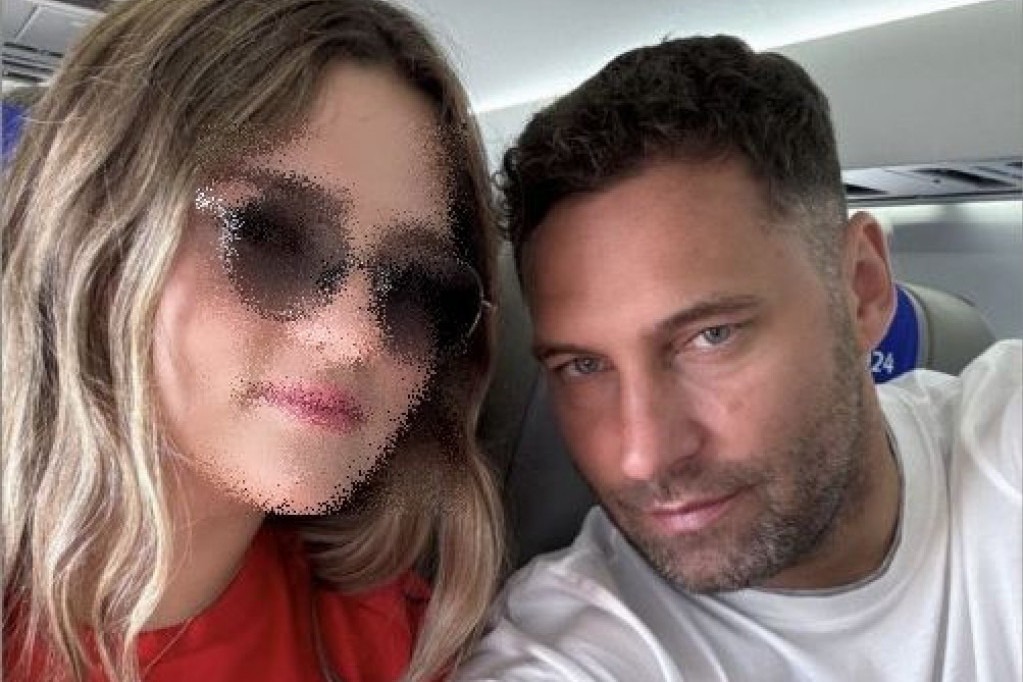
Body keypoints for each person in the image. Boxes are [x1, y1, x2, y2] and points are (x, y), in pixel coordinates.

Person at [457, 35, 1021, 681]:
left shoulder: (1002, 449)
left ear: (861, 287)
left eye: (711, 336)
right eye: (583, 366)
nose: (644, 456)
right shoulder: (574, 649)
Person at [1, 1, 504, 680]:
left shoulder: (397, 649)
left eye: (419, 289)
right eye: (270, 238)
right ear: (101, 233)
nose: (354, 338)